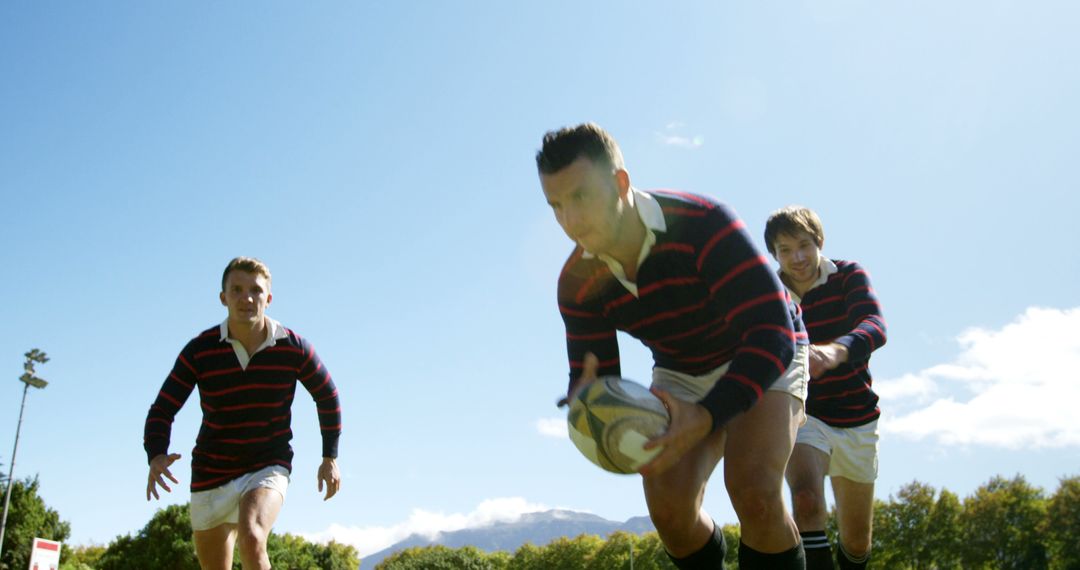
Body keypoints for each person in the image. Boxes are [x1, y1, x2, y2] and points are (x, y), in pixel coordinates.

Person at [537, 123, 810, 569]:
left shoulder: (703, 222)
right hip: (680, 370)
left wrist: (707, 415)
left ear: (621, 183)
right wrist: (585, 397)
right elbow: (596, 375)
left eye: (581, 197)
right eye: (556, 206)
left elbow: (771, 334)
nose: (570, 221)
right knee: (668, 514)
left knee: (754, 491)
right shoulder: (575, 283)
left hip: (763, 348)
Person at [143, 257, 342, 570]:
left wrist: (329, 457)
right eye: (236, 290)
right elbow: (163, 408)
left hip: (267, 463)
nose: (246, 297)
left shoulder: (294, 347)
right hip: (211, 471)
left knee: (252, 535)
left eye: (255, 290)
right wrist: (156, 454)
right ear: (223, 297)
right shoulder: (200, 350)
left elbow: (327, 395)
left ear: (269, 298)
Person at [765, 206, 887, 570]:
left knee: (856, 542)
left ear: (819, 242)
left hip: (857, 418)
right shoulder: (770, 295)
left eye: (803, 245)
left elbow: (875, 324)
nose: (797, 258)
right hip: (806, 415)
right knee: (805, 500)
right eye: (784, 250)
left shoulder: (849, 274)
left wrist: (835, 351)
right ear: (774, 255)